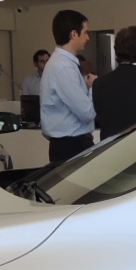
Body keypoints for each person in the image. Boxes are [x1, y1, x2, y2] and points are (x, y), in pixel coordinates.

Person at [39, 9, 97, 164]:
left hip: (68, 144)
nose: (88, 37)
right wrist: (93, 87)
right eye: (85, 32)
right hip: (72, 145)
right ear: (74, 34)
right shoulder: (64, 67)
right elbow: (87, 113)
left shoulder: (60, 63)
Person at [20, 48, 49, 123]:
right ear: (35, 64)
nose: (46, 64)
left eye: (47, 61)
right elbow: (25, 103)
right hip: (35, 118)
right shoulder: (28, 81)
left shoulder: (57, 79)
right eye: (42, 61)